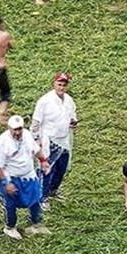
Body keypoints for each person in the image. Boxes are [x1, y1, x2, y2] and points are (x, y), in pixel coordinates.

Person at [0, 116, 52, 240]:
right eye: (15, 130)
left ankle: (36, 224)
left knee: (36, 199)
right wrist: (6, 183)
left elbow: (36, 150)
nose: (17, 132)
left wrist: (43, 161)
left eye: (20, 129)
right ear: (9, 128)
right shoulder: (1, 142)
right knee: (10, 204)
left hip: (29, 175)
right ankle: (10, 227)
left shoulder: (28, 136)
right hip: (11, 177)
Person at [31, 72, 78, 209]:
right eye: (59, 84)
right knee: (47, 169)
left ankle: (53, 189)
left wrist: (73, 122)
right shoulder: (45, 101)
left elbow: (72, 116)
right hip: (49, 139)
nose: (62, 88)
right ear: (54, 84)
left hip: (64, 139)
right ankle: (42, 196)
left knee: (61, 168)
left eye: (64, 85)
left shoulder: (68, 100)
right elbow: (36, 123)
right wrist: (36, 140)